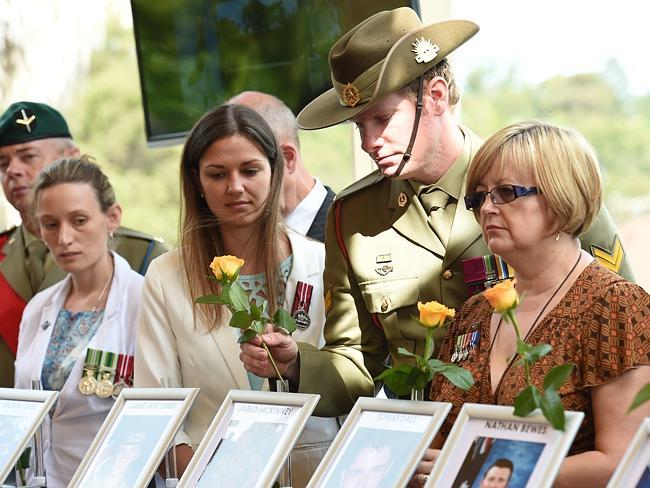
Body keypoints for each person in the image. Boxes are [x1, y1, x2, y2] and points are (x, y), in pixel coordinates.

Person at [239, 7, 632, 417]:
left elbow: (620, 325)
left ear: (437, 96)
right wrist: (297, 364)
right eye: (359, 126)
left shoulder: (543, 183)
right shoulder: (354, 218)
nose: (368, 143)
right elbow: (358, 360)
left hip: (545, 432)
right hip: (427, 450)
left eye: (382, 119)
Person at [429, 121, 650, 486]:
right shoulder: (474, 312)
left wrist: (482, 473)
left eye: (506, 192)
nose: (487, 208)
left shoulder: (613, 304)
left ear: (562, 196)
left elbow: (624, 463)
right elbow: (441, 442)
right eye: (479, 196)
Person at [134, 103, 338, 487]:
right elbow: (155, 412)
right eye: (217, 174)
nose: (235, 187)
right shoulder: (165, 277)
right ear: (196, 180)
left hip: (318, 474)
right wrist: (211, 474)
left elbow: (355, 376)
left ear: (276, 169)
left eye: (250, 170)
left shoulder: (323, 261)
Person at [0, 101, 168, 387]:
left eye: (28, 157)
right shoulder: (31, 295)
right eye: (3, 163)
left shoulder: (144, 255)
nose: (12, 170)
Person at [13, 156, 143, 487]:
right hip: (39, 479)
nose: (64, 238)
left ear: (112, 217)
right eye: (51, 224)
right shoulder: (38, 308)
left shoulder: (142, 301)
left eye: (79, 220)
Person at [228, 90, 336, 242]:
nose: (234, 187)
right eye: (220, 173)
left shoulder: (351, 231)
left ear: (287, 157)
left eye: (249, 170)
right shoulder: (241, 240)